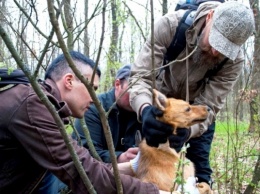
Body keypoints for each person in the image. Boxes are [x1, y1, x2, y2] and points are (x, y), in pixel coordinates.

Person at [0, 51, 169, 194]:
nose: (95, 99)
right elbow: (80, 170)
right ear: (69, 81)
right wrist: (154, 191)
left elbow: (81, 161)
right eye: (92, 89)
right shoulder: (33, 105)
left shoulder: (36, 102)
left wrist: (132, 166)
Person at [129, 0, 255, 188]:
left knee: (201, 175)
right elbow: (140, 77)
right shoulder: (170, 27)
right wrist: (146, 109)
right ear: (210, 16)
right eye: (216, 41)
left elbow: (210, 105)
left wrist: (189, 130)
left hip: (196, 117)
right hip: (161, 113)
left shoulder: (233, 61)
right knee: (144, 174)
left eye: (224, 50)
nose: (215, 51)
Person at [74, 64, 140, 163]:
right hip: (96, 175)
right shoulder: (93, 108)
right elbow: (85, 153)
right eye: (134, 91)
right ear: (117, 84)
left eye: (143, 93)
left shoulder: (143, 112)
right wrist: (120, 158)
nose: (138, 97)